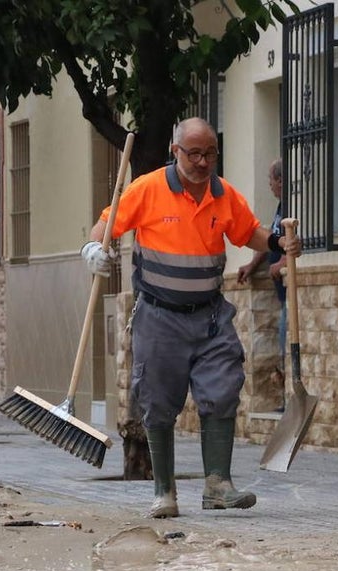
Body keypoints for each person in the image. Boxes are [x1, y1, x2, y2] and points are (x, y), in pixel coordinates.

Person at [82, 118, 301, 518]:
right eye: (194, 154)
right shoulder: (147, 189)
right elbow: (107, 225)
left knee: (224, 386)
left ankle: (218, 485)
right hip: (159, 316)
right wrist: (93, 249)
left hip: (210, 316)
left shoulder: (223, 195)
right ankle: (164, 492)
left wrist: (276, 241)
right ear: (175, 151)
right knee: (157, 400)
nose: (202, 162)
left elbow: (247, 232)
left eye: (210, 154)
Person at [237, 158, 287, 410]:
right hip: (280, 294)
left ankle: (289, 401)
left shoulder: (292, 207)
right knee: (281, 341)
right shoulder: (280, 208)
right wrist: (253, 264)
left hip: (290, 294)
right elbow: (271, 238)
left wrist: (284, 261)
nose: (269, 185)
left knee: (286, 342)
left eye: (271, 180)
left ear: (281, 181)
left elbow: (298, 240)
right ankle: (286, 399)